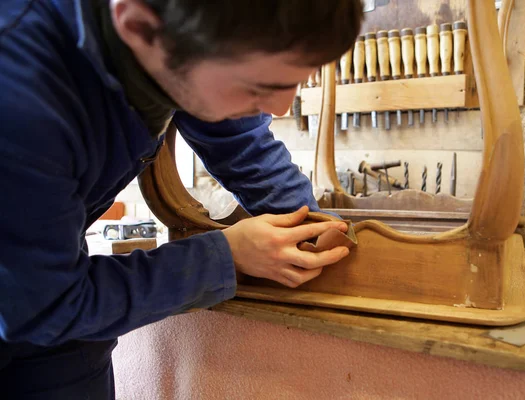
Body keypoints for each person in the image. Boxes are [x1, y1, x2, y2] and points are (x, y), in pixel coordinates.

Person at [0, 0, 363, 398]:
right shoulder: (19, 98)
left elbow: (239, 137)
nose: (279, 108)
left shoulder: (190, 32)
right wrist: (226, 256)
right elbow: (44, 307)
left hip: (52, 298)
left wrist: (310, 225)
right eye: (256, 87)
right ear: (138, 27)